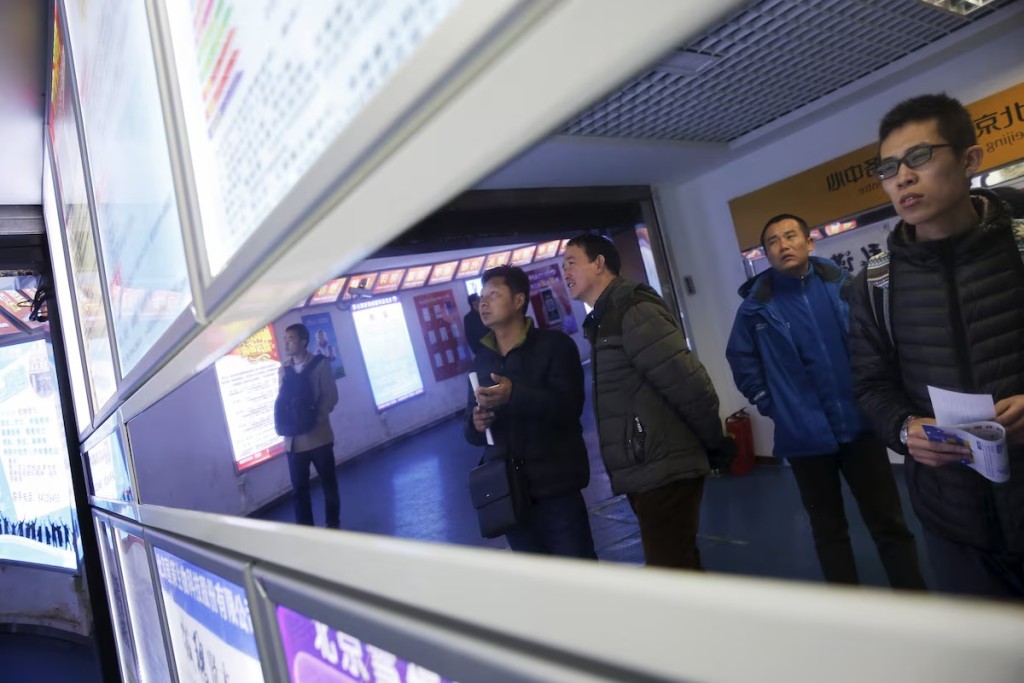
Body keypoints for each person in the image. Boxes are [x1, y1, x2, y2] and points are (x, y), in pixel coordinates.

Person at [850, 93, 1024, 598]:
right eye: (888, 168)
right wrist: (905, 429)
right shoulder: (875, 285)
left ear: (970, 159)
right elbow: (870, 385)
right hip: (954, 523)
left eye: (920, 157)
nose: (902, 178)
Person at [726, 214, 925, 589]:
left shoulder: (844, 286)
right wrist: (771, 403)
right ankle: (845, 609)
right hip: (803, 437)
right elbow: (741, 359)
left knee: (889, 523)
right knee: (828, 530)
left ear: (809, 242)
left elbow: (876, 340)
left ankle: (914, 598)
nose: (783, 245)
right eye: (773, 241)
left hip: (860, 425)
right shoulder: (755, 308)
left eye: (790, 236)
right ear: (766, 253)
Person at [563, 234, 726, 569]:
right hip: (648, 467)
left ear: (599, 263)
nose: (564, 272)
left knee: (670, 571)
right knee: (680, 565)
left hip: (663, 466)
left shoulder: (633, 310)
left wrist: (714, 442)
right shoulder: (605, 317)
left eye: (571, 262)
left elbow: (687, 382)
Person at [463, 266, 597, 558]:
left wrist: (514, 395)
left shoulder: (554, 346)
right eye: (482, 297)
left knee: (579, 575)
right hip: (510, 494)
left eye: (493, 295)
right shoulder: (481, 362)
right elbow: (471, 431)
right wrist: (476, 423)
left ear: (518, 300)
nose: (483, 302)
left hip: (557, 489)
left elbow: (569, 407)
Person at [279, 323, 341, 528]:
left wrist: (311, 420)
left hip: (319, 438)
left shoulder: (321, 364)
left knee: (328, 485)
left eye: (291, 339)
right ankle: (306, 532)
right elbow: (283, 401)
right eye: (285, 340)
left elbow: (330, 397)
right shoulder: (284, 370)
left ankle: (333, 526)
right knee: (299, 491)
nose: (286, 344)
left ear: (303, 341)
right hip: (293, 442)